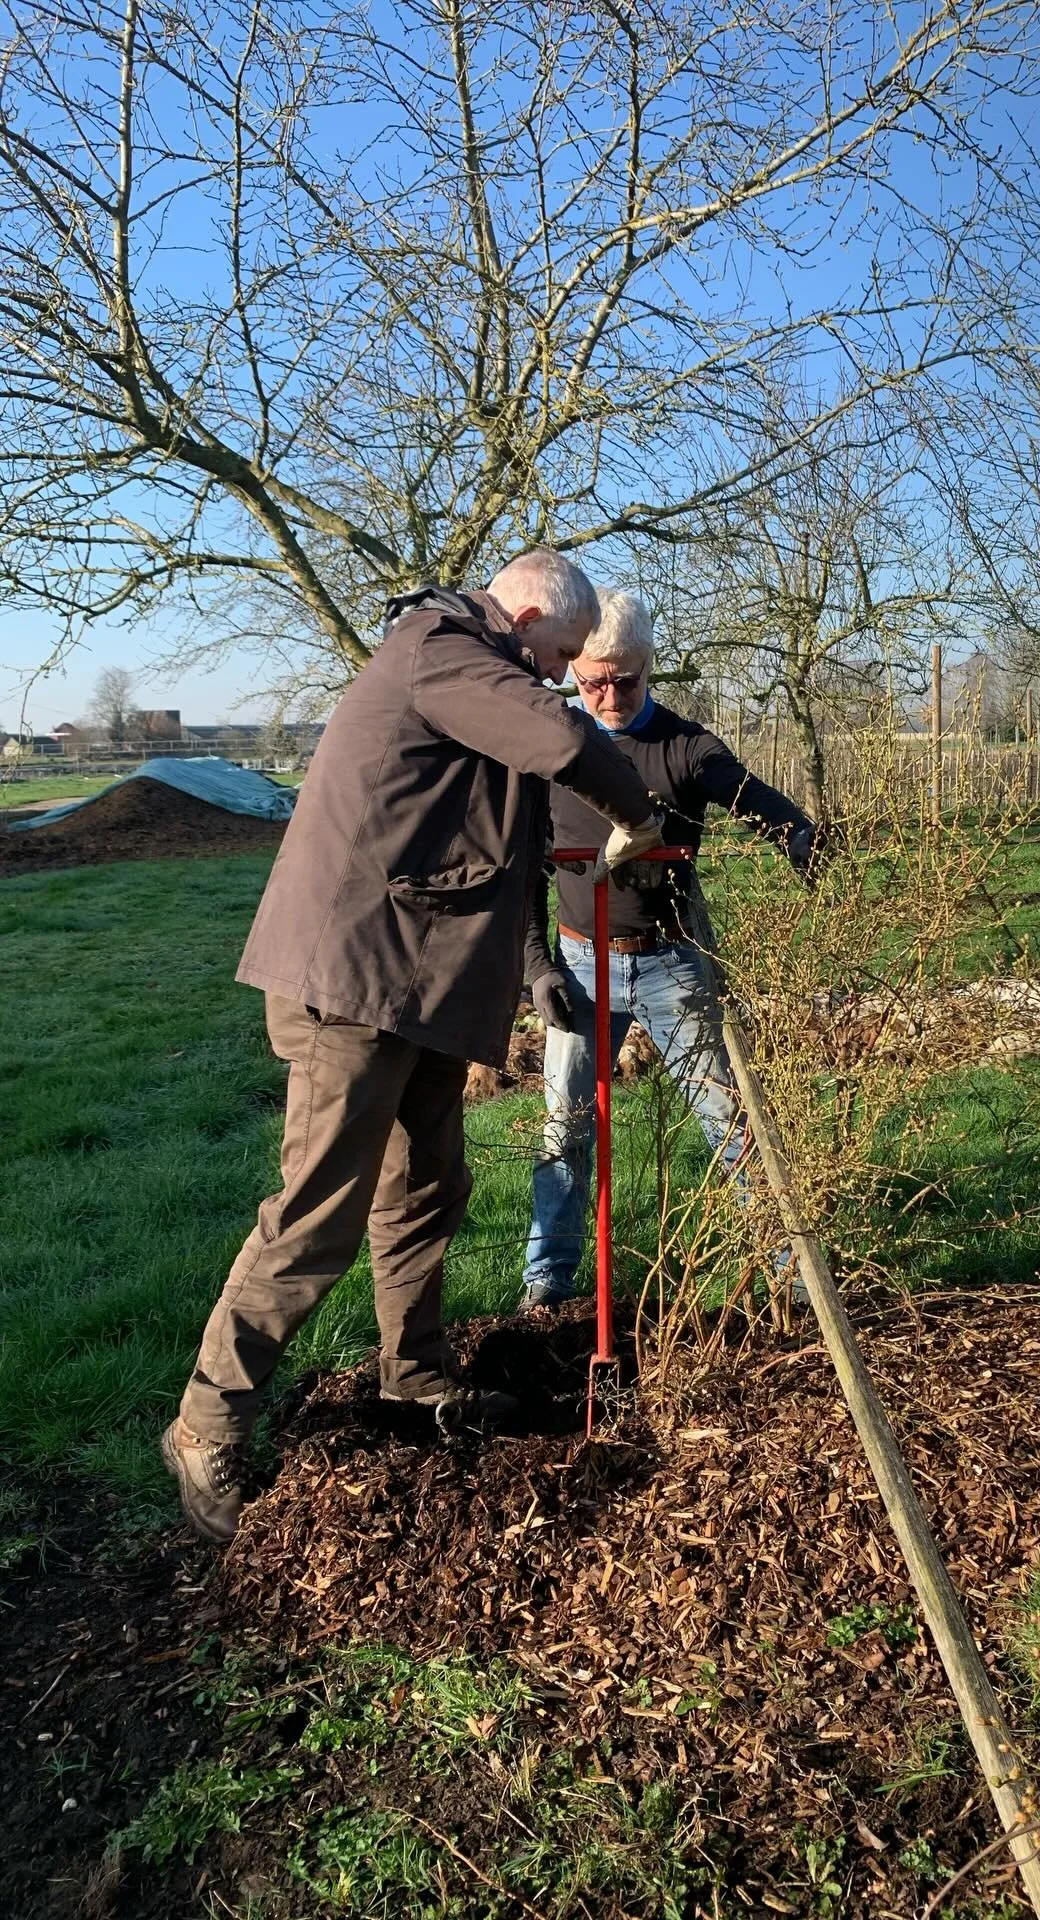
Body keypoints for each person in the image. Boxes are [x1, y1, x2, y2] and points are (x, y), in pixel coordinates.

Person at [164, 551, 663, 1543]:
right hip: (352, 985)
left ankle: (415, 1376)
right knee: (318, 1218)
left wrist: (531, 970)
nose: (565, 674)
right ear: (522, 616)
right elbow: (558, 738)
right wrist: (637, 813)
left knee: (428, 1189)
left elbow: (502, 834)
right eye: (560, 652)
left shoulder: (477, 671)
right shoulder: (441, 648)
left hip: (417, 988)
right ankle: (206, 1422)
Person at [519, 589, 816, 1309]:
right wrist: (536, 969)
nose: (611, 694)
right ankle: (548, 1286)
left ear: (649, 668)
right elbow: (521, 869)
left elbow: (752, 796)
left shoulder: (686, 747)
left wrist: (797, 831)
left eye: (627, 678)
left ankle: (789, 1279)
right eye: (593, 680)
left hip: (672, 962)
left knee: (728, 1122)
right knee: (566, 1129)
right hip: (580, 961)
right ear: (575, 670)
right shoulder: (547, 748)